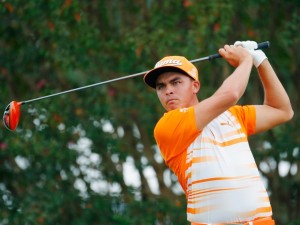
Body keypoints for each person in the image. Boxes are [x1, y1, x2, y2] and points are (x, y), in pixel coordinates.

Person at [143, 41, 293, 225]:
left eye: (176, 82)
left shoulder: (233, 115)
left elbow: (282, 110)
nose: (168, 91)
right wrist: (246, 60)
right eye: (161, 86)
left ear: (195, 86)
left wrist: (260, 61)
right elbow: (230, 95)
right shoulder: (167, 125)